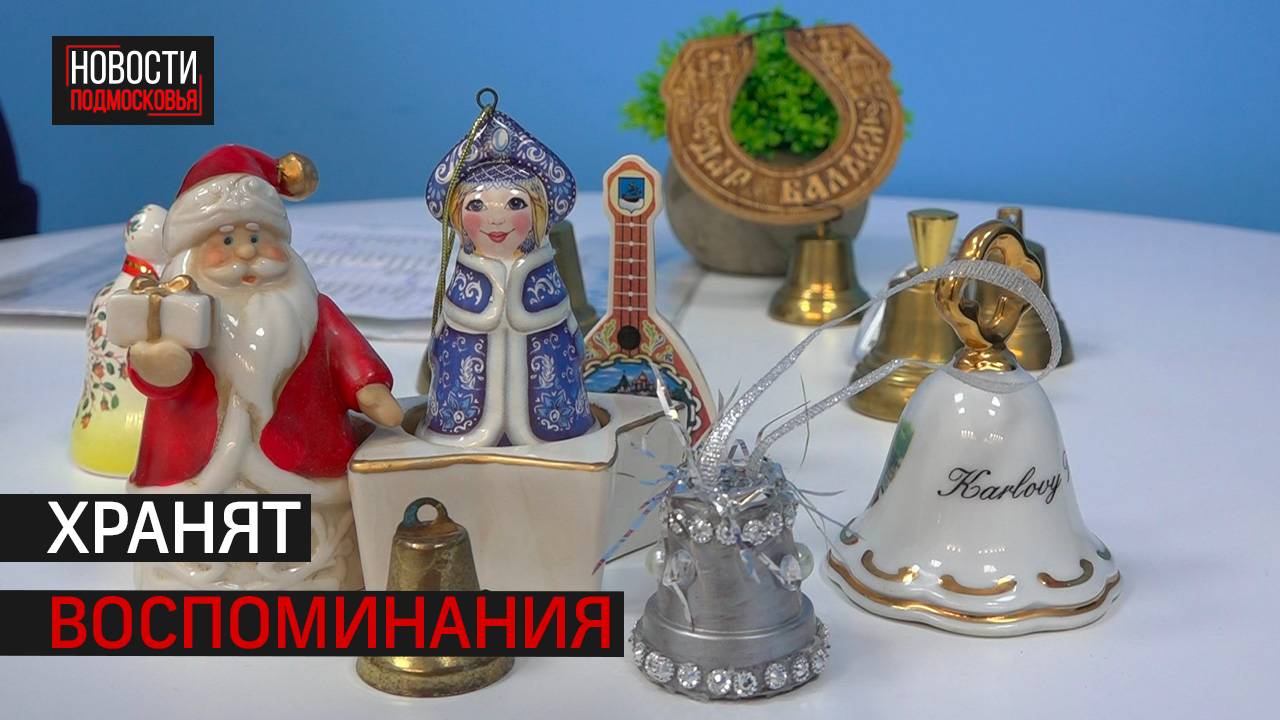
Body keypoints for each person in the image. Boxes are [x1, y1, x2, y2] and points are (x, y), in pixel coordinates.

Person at [118, 144, 402, 590]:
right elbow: (158, 379)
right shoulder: (177, 313)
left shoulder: (310, 311)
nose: (246, 254)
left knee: (317, 541)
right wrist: (161, 365)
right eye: (226, 242)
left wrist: (369, 388)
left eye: (256, 237)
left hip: (300, 457)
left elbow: (346, 351)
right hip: (194, 462)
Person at [418, 109, 594, 446]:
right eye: (476, 206)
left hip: (548, 413)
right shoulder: (467, 278)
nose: (496, 220)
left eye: (515, 204)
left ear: (539, 212)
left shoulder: (542, 275)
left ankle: (557, 429)